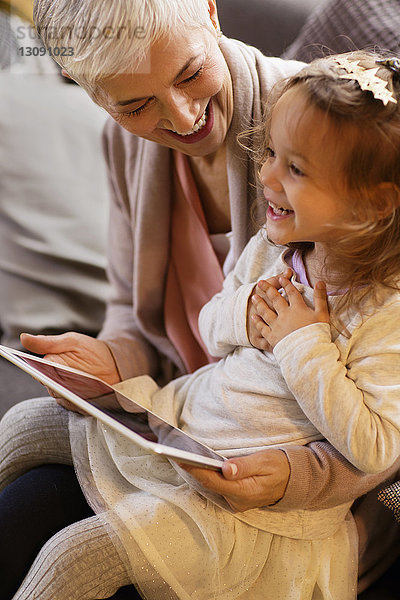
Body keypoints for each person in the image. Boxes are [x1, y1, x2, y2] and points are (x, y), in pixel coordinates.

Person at [5, 0, 400, 595]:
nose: (183, 115)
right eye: (135, 104)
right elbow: (147, 312)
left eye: (189, 74)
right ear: (89, 95)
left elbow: (378, 434)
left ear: (212, 14)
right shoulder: (133, 149)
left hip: (280, 487)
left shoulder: (322, 132)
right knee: (21, 467)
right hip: (186, 423)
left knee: (65, 552)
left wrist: (300, 475)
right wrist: (113, 358)